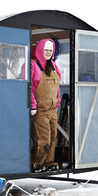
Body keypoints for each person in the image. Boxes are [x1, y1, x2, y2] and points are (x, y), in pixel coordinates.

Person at [28, 39, 62, 172]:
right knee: (43, 139)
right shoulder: (33, 65)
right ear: (40, 49)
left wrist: (57, 103)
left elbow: (57, 87)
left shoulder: (53, 66)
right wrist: (33, 105)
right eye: (46, 50)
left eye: (50, 50)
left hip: (53, 109)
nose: (48, 53)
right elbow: (29, 87)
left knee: (53, 138)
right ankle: (36, 164)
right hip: (39, 110)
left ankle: (49, 163)